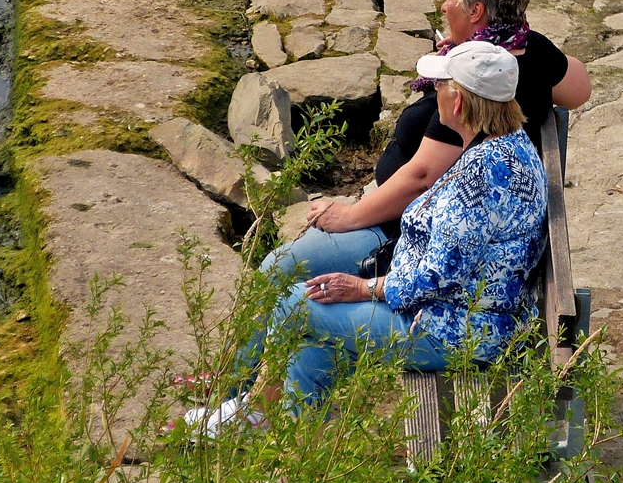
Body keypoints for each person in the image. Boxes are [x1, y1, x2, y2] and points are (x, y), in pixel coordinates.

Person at [191, 42, 548, 431]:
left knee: (294, 304)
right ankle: (285, 463)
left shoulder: (483, 175)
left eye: (440, 84)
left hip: (454, 328)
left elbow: (435, 277)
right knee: (314, 349)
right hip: (468, 313)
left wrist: (364, 288)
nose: (435, 90)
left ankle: (259, 414)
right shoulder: (511, 148)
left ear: (457, 101)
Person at [260, 0, 589, 279]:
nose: (444, 7)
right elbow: (580, 89)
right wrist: (493, 43)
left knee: (277, 269)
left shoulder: (474, 90)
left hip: (403, 229)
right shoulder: (530, 49)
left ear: (475, 10)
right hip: (428, 215)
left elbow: (422, 178)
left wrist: (350, 215)